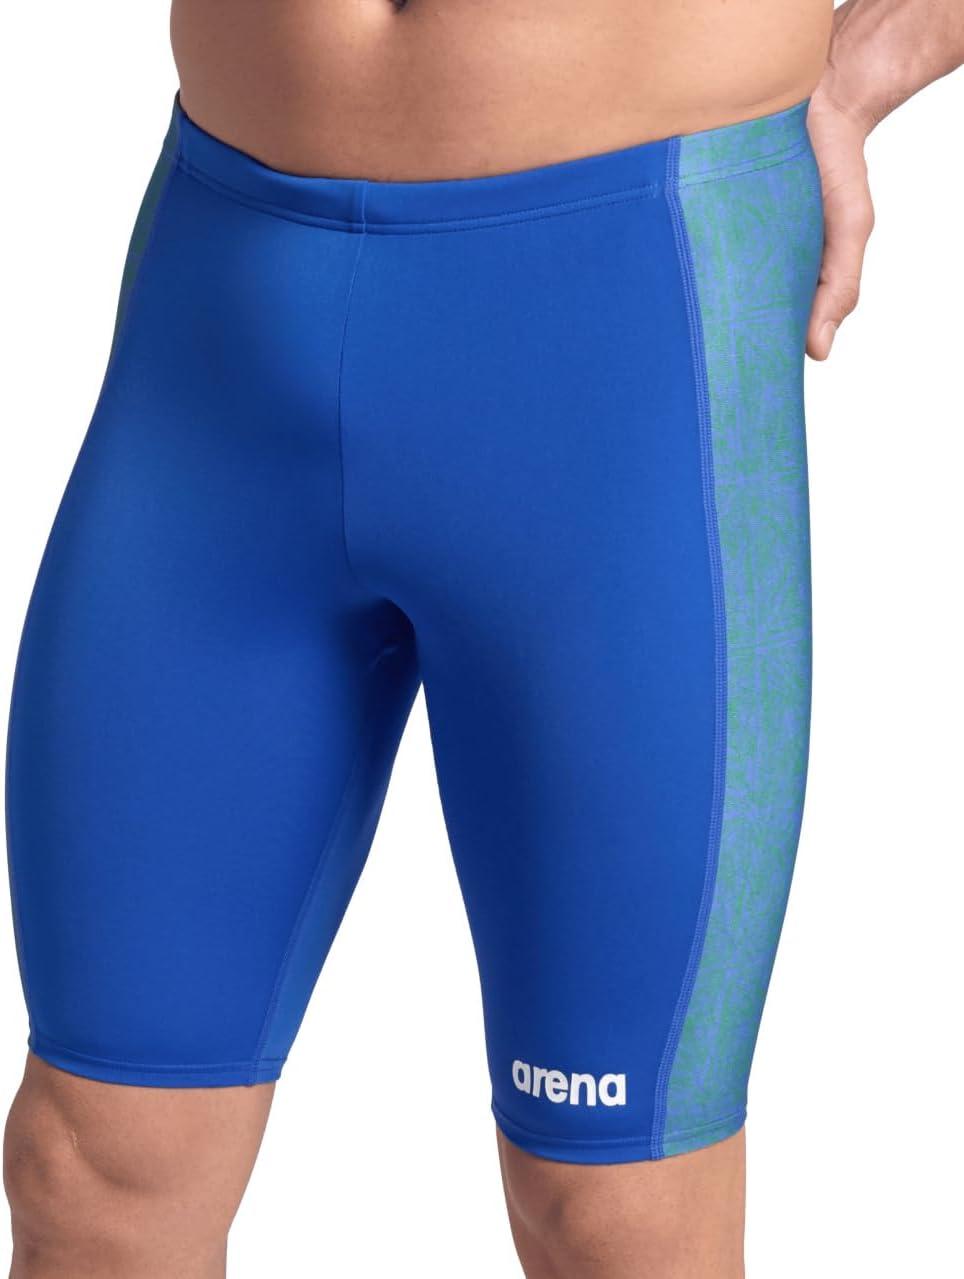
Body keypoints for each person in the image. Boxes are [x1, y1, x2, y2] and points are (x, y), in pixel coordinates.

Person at [2, 1, 961, 1275]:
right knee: (93, 1162)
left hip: (625, 297)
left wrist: (878, 56)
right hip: (225, 306)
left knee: (614, 1209)